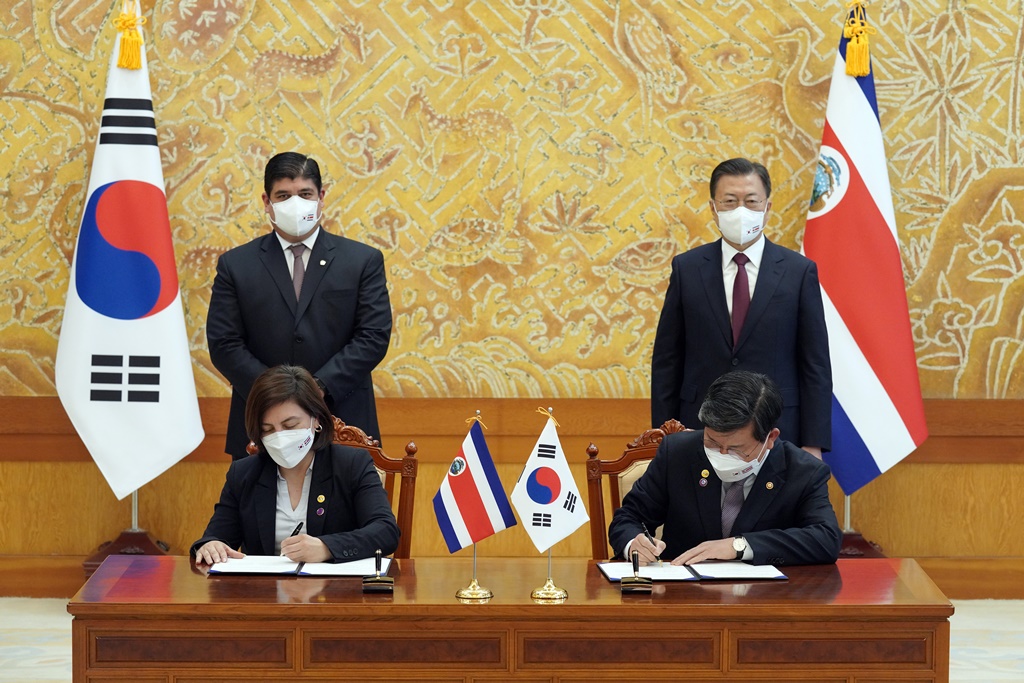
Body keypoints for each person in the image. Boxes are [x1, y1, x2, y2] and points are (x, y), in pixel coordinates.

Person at [208, 152, 392, 460]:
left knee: (346, 509)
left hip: (344, 422)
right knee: (259, 509)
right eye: (283, 195)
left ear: (321, 197)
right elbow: (224, 344)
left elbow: (373, 336)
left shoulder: (362, 261)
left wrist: (316, 388)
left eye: (305, 194)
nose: (296, 202)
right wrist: (278, 395)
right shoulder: (235, 265)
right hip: (261, 426)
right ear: (267, 201)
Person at [650, 157, 831, 457]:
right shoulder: (687, 269)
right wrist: (662, 435)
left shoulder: (799, 272)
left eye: (751, 201)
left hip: (777, 429)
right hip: (698, 428)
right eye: (730, 201)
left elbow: (815, 366)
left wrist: (813, 443)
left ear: (767, 208)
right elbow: (667, 360)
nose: (741, 211)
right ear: (713, 208)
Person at [610, 371, 842, 566]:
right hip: (684, 598)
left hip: (764, 603)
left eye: (736, 449)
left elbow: (825, 539)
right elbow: (628, 517)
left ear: (770, 438)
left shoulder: (803, 471)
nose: (721, 455)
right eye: (712, 442)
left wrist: (739, 545)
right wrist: (634, 542)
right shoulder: (678, 453)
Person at [192, 365, 399, 564]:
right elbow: (216, 537)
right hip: (264, 595)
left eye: (290, 425)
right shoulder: (244, 473)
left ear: (316, 419)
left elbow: (386, 531)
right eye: (267, 429)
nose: (280, 437)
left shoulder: (352, 465)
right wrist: (212, 545)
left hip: (335, 593)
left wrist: (326, 547)